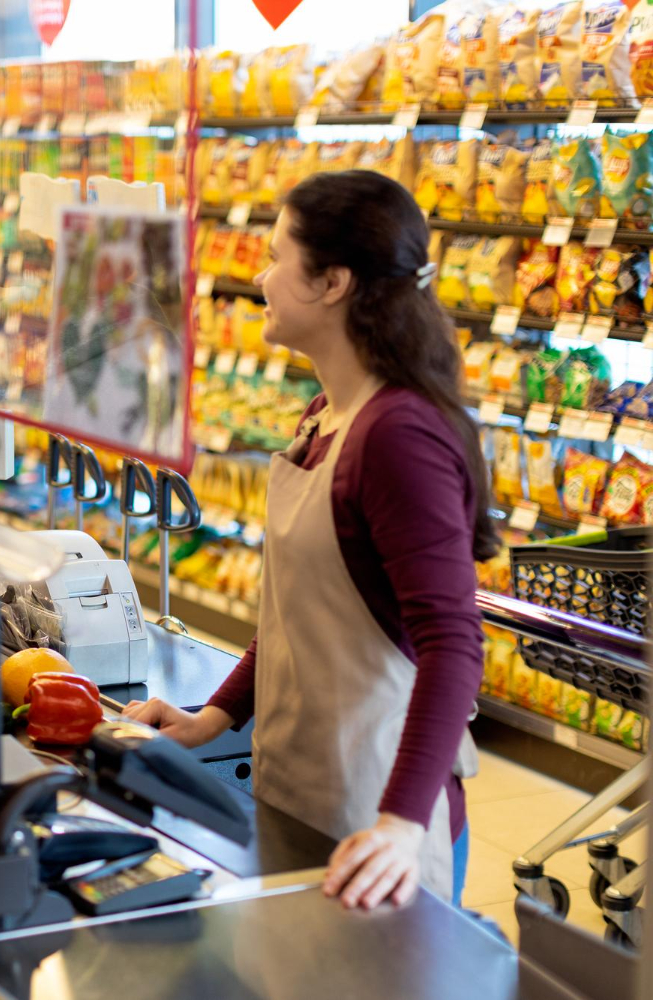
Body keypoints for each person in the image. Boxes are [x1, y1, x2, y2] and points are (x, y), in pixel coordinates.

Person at [127, 170, 491, 911]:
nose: (259, 278)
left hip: (378, 822)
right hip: (304, 790)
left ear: (332, 283)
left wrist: (398, 823)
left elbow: (453, 644)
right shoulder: (326, 413)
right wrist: (212, 719)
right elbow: (299, 612)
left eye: (274, 258)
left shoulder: (398, 435)